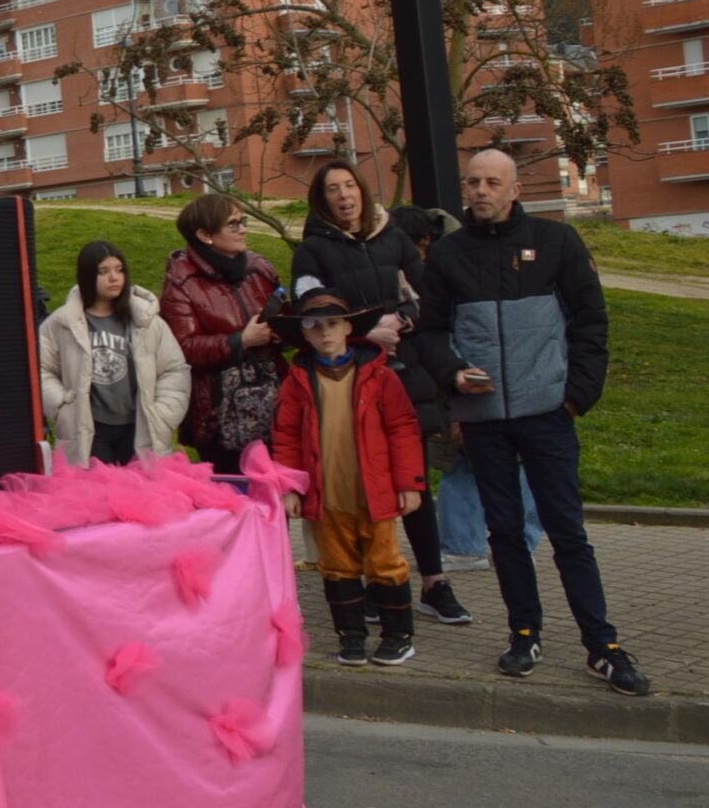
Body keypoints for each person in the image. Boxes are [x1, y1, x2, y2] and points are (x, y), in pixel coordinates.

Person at [414, 149, 647, 694]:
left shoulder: (557, 242)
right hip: (485, 420)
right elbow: (427, 333)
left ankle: (602, 645)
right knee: (506, 533)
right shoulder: (447, 254)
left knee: (568, 533)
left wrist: (575, 397)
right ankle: (524, 634)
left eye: (492, 182)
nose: (480, 191)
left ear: (514, 189)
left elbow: (591, 322)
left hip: (548, 415)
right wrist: (452, 376)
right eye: (472, 181)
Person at [293, 162, 471, 626]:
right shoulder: (312, 249)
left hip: (405, 374)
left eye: (349, 185)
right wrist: (371, 332)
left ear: (362, 189)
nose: (343, 195)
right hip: (351, 381)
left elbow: (424, 294)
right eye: (333, 189)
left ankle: (434, 582)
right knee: (366, 485)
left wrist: (402, 322)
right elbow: (312, 312)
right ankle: (378, 583)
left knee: (412, 483)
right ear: (322, 199)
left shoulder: (393, 237)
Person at [270, 287, 427, 666]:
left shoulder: (381, 376)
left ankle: (398, 636)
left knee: (385, 564)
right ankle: (351, 637)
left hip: (375, 493)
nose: (325, 333)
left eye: (333, 324)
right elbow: (285, 435)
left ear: (348, 329)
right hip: (327, 494)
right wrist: (290, 487)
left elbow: (403, 428)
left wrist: (408, 483)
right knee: (337, 567)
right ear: (303, 334)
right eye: (315, 326)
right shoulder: (297, 381)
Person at [156, 191, 283, 473]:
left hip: (274, 404)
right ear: (205, 235)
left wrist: (283, 330)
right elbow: (183, 348)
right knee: (236, 504)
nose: (244, 229)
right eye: (233, 224)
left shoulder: (259, 269)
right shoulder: (182, 284)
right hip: (219, 414)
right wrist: (240, 341)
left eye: (243, 221)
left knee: (276, 500)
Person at [39, 240, 189, 464]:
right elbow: (42, 369)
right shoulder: (62, 324)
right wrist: (62, 405)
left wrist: (163, 414)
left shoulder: (146, 322)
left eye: (119, 270)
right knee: (99, 495)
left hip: (139, 427)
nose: (114, 278)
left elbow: (174, 369)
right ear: (87, 275)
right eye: (104, 271)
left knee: (141, 495)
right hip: (90, 430)